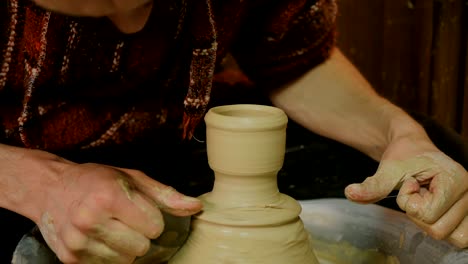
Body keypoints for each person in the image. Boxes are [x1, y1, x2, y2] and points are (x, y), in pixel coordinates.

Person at [0, 0, 466, 263]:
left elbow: (293, 58)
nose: (130, 17)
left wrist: (397, 135)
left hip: (181, 128)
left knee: (433, 167)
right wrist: (44, 185)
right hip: (16, 161)